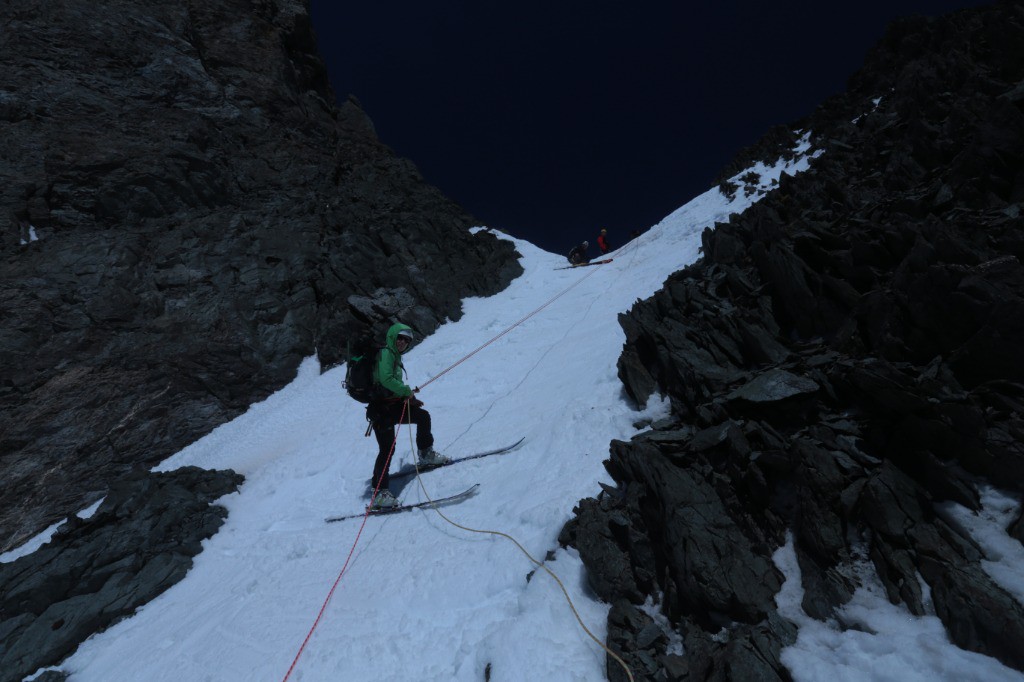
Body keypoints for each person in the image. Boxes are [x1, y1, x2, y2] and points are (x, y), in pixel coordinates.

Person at [366, 323, 449, 509]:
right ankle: (379, 493)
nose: (403, 342)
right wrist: (406, 391)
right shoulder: (386, 353)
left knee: (422, 416)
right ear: (392, 337)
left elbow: (389, 385)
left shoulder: (394, 356)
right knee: (387, 448)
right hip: (381, 411)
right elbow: (386, 380)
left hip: (392, 407)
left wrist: (407, 398)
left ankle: (426, 453)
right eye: (400, 338)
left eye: (407, 340)